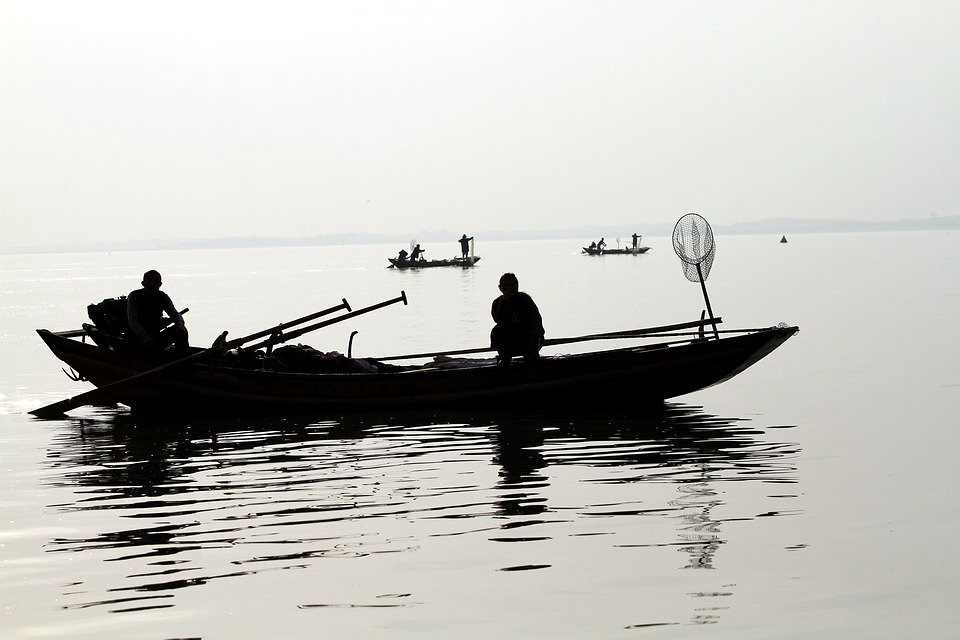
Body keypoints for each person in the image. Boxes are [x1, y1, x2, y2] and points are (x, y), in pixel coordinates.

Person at [127, 270, 189, 354]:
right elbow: (132, 321)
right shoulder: (134, 296)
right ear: (143, 283)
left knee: (182, 331)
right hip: (138, 337)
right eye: (150, 282)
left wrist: (180, 324)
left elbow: (175, 314)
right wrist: (145, 336)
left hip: (155, 336)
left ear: (160, 284)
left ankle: (182, 358)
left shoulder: (162, 296)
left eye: (156, 282)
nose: (153, 285)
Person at [490, 272, 544, 366]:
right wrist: (504, 303)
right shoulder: (497, 302)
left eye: (512, 285)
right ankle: (505, 359)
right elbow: (498, 319)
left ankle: (532, 359)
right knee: (497, 331)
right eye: (506, 285)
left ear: (517, 286)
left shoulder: (525, 299)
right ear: (500, 288)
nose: (509, 288)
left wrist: (534, 345)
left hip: (529, 336)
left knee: (532, 357)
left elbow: (535, 320)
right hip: (510, 338)